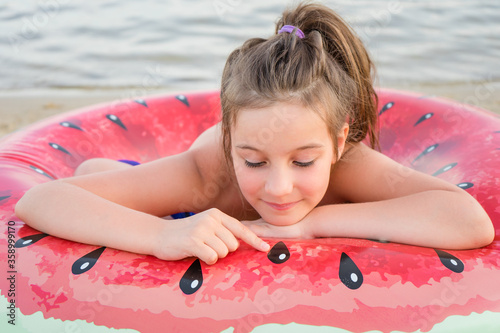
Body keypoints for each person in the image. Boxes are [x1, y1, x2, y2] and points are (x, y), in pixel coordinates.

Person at [15, 2, 494, 265]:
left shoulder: (349, 163)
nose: (279, 186)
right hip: (200, 208)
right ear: (229, 141)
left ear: (339, 140)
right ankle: (120, 176)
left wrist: (309, 224)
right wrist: (162, 233)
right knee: (100, 177)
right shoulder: (210, 172)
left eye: (304, 162)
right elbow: (40, 201)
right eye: (255, 160)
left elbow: (468, 222)